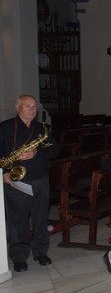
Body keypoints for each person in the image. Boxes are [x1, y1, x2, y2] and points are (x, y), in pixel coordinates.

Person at [1, 95, 60, 272]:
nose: (32, 110)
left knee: (41, 218)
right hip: (17, 181)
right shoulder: (5, 128)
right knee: (18, 221)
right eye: (28, 106)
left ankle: (40, 252)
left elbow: (55, 150)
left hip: (40, 179)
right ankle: (19, 257)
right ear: (17, 107)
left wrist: (37, 152)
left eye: (34, 107)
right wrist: (4, 173)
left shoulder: (41, 129)